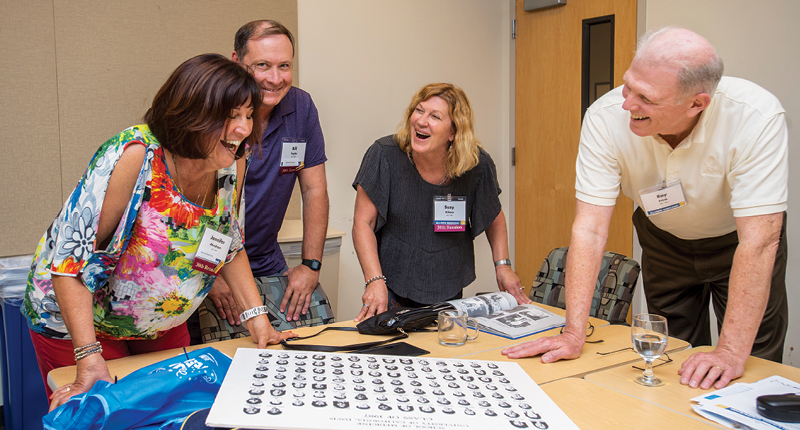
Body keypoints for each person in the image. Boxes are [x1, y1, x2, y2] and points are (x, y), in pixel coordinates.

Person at [502, 27, 788, 390]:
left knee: (749, 363)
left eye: (646, 98)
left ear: (697, 103)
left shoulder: (755, 117)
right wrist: (574, 332)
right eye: (628, 85)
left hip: (740, 243)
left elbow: (760, 240)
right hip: (663, 240)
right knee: (666, 357)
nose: (627, 104)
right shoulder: (605, 118)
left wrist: (730, 351)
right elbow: (589, 229)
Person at [22, 54, 297, 410]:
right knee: (102, 412)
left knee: (179, 409)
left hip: (159, 322)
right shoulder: (136, 155)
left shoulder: (230, 159)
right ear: (192, 113)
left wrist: (259, 322)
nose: (244, 129)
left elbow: (229, 243)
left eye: (248, 116)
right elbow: (69, 261)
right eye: (231, 117)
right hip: (81, 325)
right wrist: (88, 359)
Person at [352, 83, 530, 321]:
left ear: (453, 132)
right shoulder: (384, 154)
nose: (421, 121)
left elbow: (493, 216)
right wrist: (374, 280)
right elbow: (363, 223)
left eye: (435, 116)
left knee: (445, 349)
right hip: (393, 280)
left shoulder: (477, 165)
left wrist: (503, 265)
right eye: (419, 110)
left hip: (449, 280)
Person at [202, 20, 329, 329]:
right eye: (262, 65)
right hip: (210, 268)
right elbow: (191, 206)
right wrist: (208, 274)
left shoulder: (301, 107)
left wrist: (311, 265)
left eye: (284, 66)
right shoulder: (210, 110)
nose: (275, 79)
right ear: (236, 62)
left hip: (268, 262)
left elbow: (314, 190)